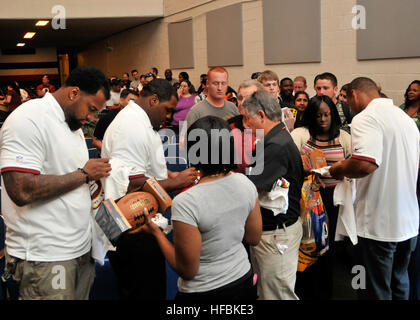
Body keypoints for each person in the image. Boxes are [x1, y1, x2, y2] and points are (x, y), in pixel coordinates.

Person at [0, 66, 112, 300]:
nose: (91, 118)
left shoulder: (72, 124)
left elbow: (69, 179)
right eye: (91, 109)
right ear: (73, 93)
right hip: (46, 256)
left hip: (79, 249)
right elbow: (20, 189)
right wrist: (84, 174)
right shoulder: (28, 118)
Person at [139, 115, 262, 300]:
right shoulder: (245, 183)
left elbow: (187, 270)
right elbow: (254, 237)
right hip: (242, 280)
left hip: (205, 291)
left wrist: (156, 233)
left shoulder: (187, 202)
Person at [101, 78, 197, 300]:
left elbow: (142, 172)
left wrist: (168, 175)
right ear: (154, 100)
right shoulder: (132, 126)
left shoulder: (141, 120)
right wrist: (176, 182)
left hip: (136, 226)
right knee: (144, 291)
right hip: (133, 229)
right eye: (168, 110)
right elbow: (131, 184)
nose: (169, 117)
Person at [329, 77, 419, 300]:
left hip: (379, 223)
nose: (349, 107)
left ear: (355, 94)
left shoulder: (365, 118)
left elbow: (366, 163)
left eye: (348, 101)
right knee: (399, 282)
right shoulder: (405, 118)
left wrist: (339, 168)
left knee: (374, 290)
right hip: (407, 221)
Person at [241, 90, 304, 300]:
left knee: (277, 296)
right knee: (266, 292)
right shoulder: (273, 139)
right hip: (270, 232)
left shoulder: (275, 145)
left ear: (261, 115)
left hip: (276, 234)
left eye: (246, 118)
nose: (244, 125)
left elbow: (249, 189)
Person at [291, 95, 352, 300]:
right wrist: (303, 167)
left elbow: (354, 165)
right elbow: (289, 165)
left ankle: (327, 292)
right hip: (310, 201)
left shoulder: (343, 137)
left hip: (335, 200)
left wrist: (345, 171)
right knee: (309, 247)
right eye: (318, 115)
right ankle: (307, 291)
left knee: (329, 250)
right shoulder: (301, 134)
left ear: (333, 115)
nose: (323, 119)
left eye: (326, 115)